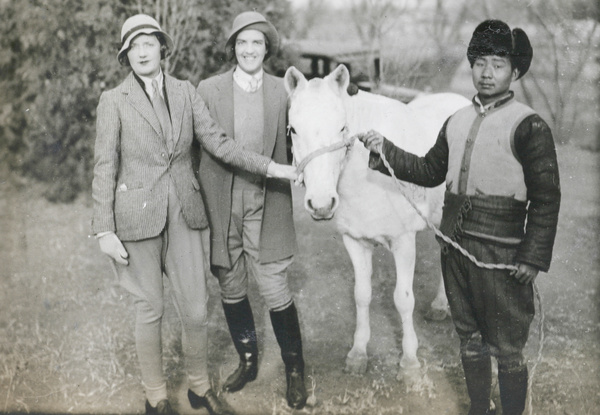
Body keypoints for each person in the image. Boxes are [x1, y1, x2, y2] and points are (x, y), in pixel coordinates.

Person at [92, 14, 296, 415]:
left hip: (187, 214)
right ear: (125, 56)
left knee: (197, 309)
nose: (142, 52)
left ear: (162, 49)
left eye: (148, 43)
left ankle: (200, 389)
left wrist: (273, 167)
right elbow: (104, 165)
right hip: (136, 220)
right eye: (133, 47)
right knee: (150, 309)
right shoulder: (113, 101)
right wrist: (103, 229)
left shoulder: (186, 92)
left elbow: (219, 143)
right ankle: (155, 398)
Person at [359, 20, 561, 415]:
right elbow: (429, 169)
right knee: (469, 337)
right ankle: (478, 408)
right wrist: (385, 150)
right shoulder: (455, 121)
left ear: (514, 71)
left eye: (498, 64)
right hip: (454, 245)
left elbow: (547, 197)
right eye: (480, 62)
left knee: (506, 345)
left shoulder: (529, 126)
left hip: (501, 253)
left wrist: (532, 257)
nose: (487, 72)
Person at [195, 11, 308, 410]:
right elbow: (205, 147)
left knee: (275, 286)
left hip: (266, 200)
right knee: (231, 285)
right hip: (222, 203)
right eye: (242, 42)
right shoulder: (208, 90)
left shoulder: (283, 92)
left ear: (267, 49)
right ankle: (248, 362)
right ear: (232, 48)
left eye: (257, 42)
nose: (249, 49)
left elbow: (306, 133)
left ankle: (296, 369)